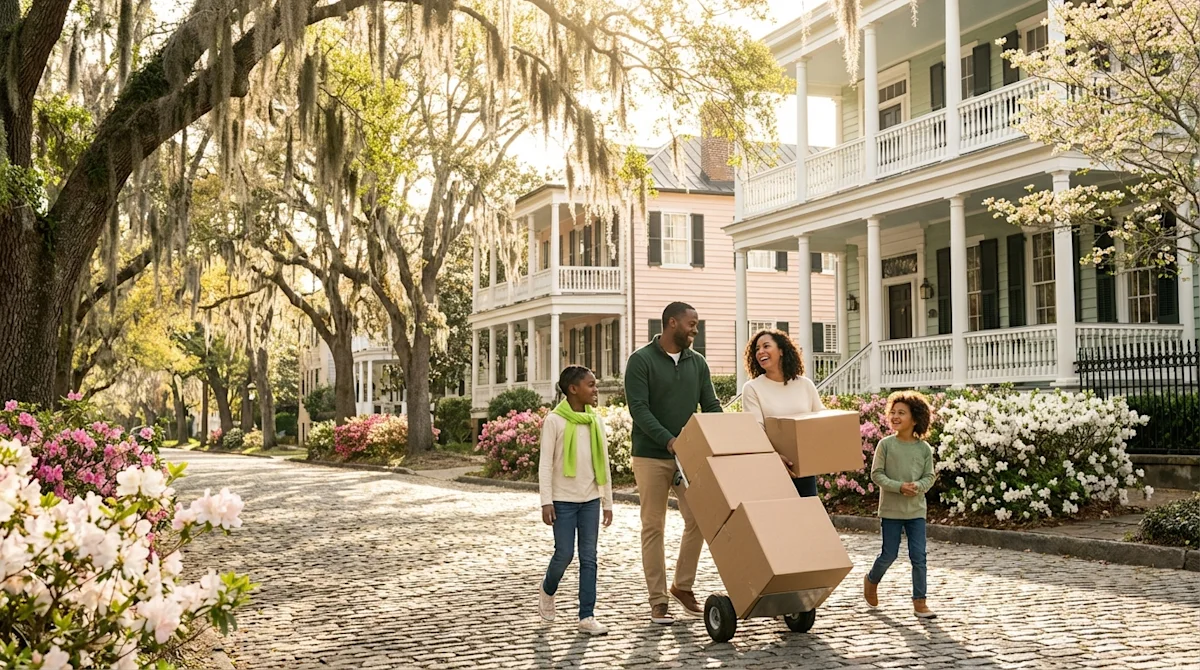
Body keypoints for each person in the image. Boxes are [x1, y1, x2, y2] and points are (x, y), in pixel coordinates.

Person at [624, 302, 722, 625]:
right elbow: (639, 409)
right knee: (654, 525)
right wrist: (669, 440)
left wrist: (725, 437)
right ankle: (658, 600)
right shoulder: (640, 361)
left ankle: (682, 585)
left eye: (696, 325)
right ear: (672, 324)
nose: (695, 329)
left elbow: (711, 405)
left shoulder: (698, 363)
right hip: (651, 456)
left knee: (700, 519)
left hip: (687, 458)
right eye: (691, 324)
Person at [537, 366, 614, 636]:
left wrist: (607, 502)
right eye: (591, 385)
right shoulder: (555, 421)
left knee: (589, 558)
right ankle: (547, 589)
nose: (595, 390)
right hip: (562, 501)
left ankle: (586, 616)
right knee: (564, 554)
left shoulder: (596, 421)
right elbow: (545, 464)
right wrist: (546, 501)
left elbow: (603, 462)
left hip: (591, 499)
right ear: (573, 389)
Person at [864, 390, 937, 619]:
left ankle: (920, 602)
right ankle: (871, 580)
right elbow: (876, 475)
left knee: (919, 556)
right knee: (889, 554)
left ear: (915, 418)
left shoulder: (924, 449)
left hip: (916, 511)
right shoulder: (885, 445)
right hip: (891, 511)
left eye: (901, 413)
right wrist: (899, 487)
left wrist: (918, 486)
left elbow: (930, 476)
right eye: (893, 412)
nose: (895, 416)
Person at [740, 328, 824, 497]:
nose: (760, 352)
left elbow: (821, 420)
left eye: (766, 346)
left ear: (781, 351)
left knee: (807, 520)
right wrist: (774, 458)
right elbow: (756, 430)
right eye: (757, 349)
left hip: (804, 469)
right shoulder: (752, 388)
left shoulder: (805, 385)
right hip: (770, 469)